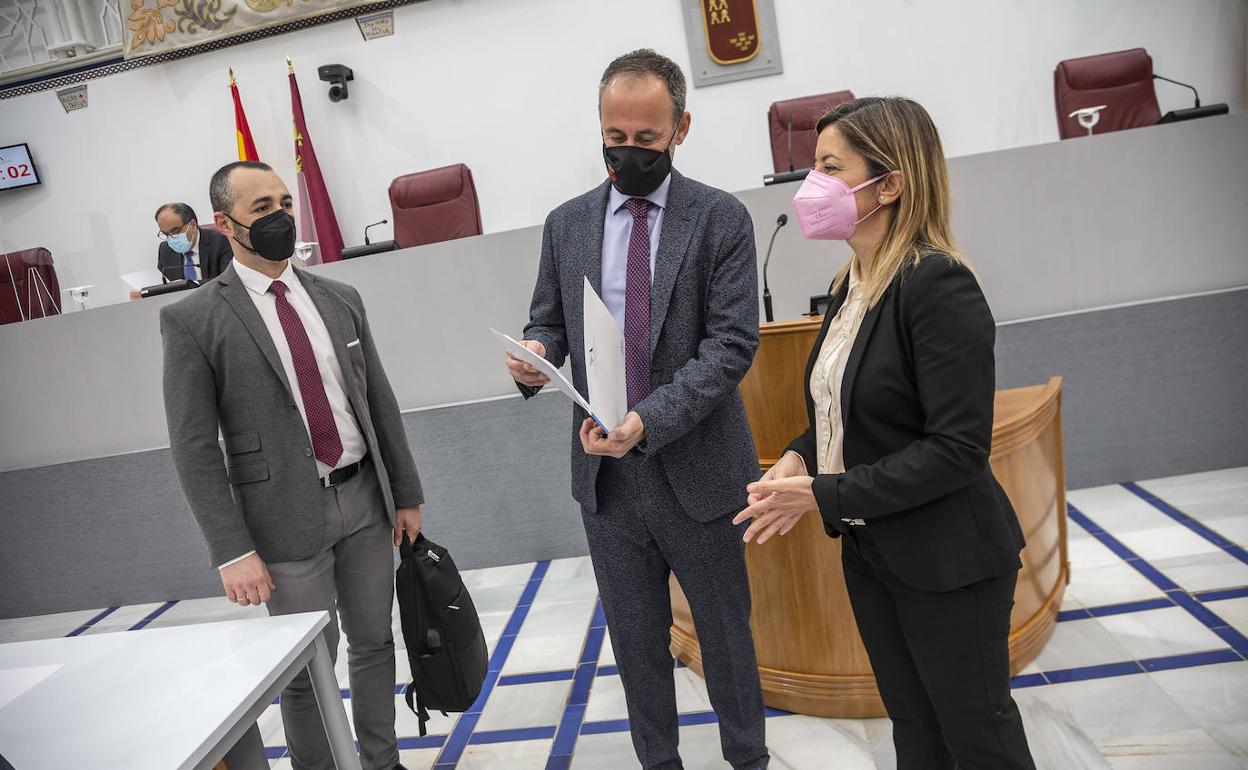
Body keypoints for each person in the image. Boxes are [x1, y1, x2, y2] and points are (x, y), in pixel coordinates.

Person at [733, 97, 1036, 770]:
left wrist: (825, 494)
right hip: (875, 552)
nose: (812, 185)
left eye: (831, 167)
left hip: (949, 559)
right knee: (914, 726)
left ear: (890, 183)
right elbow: (841, 408)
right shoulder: (852, 283)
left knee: (975, 733)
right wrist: (795, 456)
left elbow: (958, 450)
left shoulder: (938, 285)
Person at [505, 49, 769, 770]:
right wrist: (534, 354)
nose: (627, 152)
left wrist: (648, 420)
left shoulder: (720, 219)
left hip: (700, 472)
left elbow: (731, 345)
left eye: (645, 140)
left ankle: (748, 758)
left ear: (681, 128)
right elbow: (551, 321)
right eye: (614, 137)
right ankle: (660, 762)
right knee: (634, 643)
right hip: (607, 484)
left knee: (726, 639)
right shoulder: (567, 224)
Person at [160, 160, 422, 770]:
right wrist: (231, 549)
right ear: (225, 224)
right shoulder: (194, 319)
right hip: (280, 518)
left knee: (375, 642)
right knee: (307, 669)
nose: (279, 216)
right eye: (262, 208)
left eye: (284, 202)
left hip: (363, 499)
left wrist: (404, 492)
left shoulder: (339, 298)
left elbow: (377, 401)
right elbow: (193, 445)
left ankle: (383, 763)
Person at [155, 202, 231, 282]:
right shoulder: (165, 250)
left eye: (175, 230)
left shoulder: (222, 241)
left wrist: (189, 286)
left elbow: (227, 282)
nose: (172, 237)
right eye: (166, 234)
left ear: (193, 225)